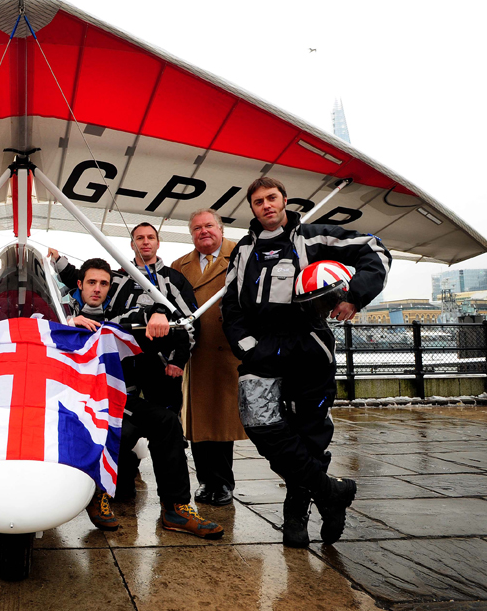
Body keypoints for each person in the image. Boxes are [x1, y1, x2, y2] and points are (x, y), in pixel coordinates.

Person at [222, 176, 390, 547]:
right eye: (258, 202)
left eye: (272, 198)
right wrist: (247, 346)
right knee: (258, 423)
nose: (266, 205)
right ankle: (332, 493)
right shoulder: (243, 251)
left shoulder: (314, 237)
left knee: (308, 434)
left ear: (284, 200)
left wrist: (354, 297)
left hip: (309, 345)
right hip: (262, 350)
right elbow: (231, 306)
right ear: (251, 208)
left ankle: (296, 512)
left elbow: (375, 250)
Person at [56, 255, 223, 539]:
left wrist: (159, 311)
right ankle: (98, 490)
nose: (97, 288)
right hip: (67, 403)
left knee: (167, 421)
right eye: (92, 282)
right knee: (112, 437)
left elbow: (166, 322)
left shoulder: (119, 318)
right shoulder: (57, 315)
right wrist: (68, 322)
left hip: (113, 402)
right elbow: (28, 322)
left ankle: (176, 507)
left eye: (104, 283)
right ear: (79, 284)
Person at [171, 209, 247, 507]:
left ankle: (223, 482)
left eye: (209, 226)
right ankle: (206, 481)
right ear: (191, 234)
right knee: (198, 424)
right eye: (197, 228)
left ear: (221, 228)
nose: (204, 232)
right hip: (194, 354)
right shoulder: (180, 266)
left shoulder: (241, 257)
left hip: (225, 350)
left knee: (221, 422)